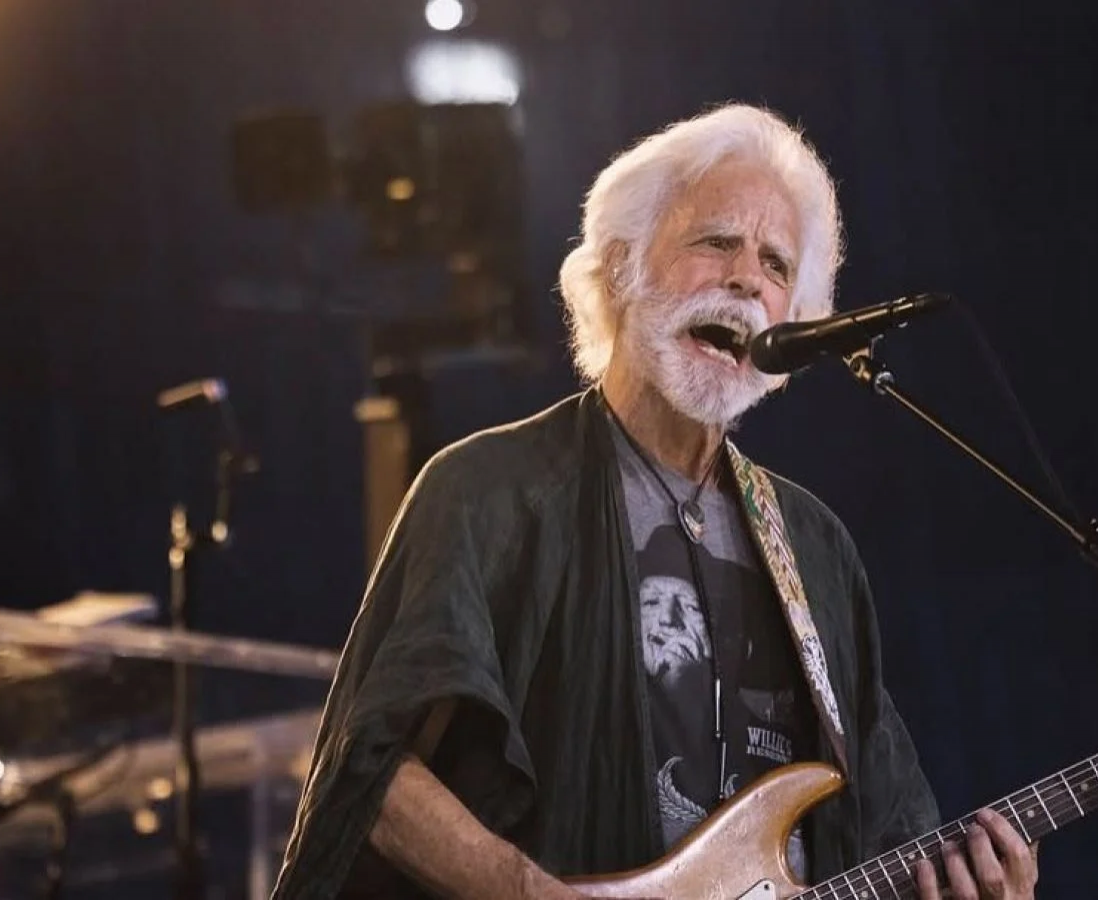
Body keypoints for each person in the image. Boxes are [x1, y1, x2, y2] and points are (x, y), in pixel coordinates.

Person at [271, 102, 1038, 900]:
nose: (747, 279)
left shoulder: (816, 547)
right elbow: (373, 772)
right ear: (619, 269)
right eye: (716, 242)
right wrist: (532, 894)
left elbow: (888, 832)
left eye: (777, 266)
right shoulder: (486, 491)